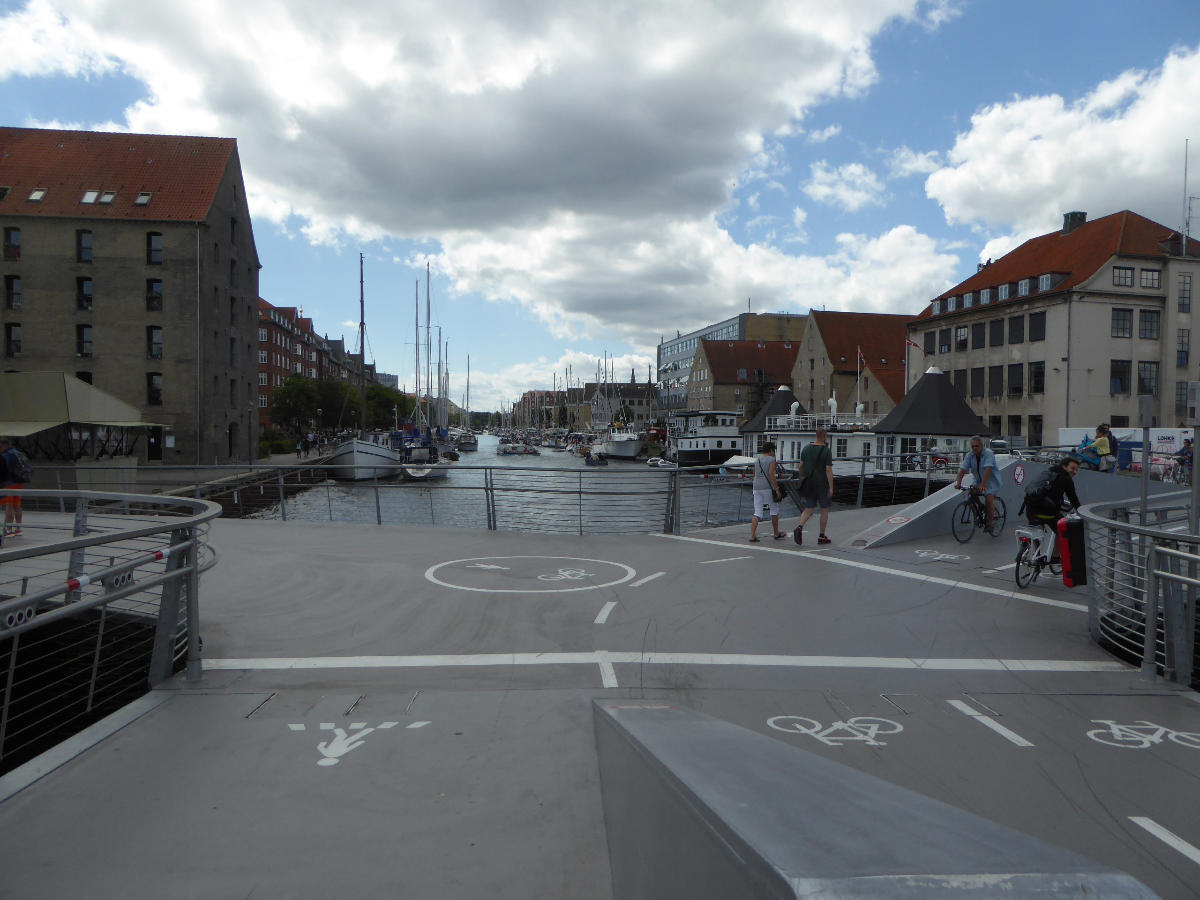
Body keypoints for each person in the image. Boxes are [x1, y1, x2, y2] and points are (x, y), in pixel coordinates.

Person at [955, 434, 1003, 534]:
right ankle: (981, 507)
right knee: (971, 493)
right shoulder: (970, 455)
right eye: (973, 446)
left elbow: (988, 469)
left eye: (976, 446)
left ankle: (989, 524)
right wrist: (958, 483)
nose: (974, 448)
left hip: (991, 481)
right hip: (978, 480)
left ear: (981, 446)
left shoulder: (988, 453)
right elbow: (963, 469)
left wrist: (984, 485)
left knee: (989, 499)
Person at [794, 428, 834, 545]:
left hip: (809, 482)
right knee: (824, 510)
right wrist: (831, 487)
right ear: (824, 436)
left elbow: (800, 466)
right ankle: (821, 536)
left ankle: (800, 527)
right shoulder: (826, 451)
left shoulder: (806, 449)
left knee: (809, 508)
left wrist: (802, 478)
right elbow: (828, 470)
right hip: (822, 484)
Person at [1022, 455, 1082, 530]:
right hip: (1049, 513)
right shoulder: (1066, 479)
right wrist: (1081, 511)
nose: (1075, 472)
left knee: (1035, 533)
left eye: (1076, 470)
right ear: (1064, 467)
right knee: (1064, 532)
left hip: (1031, 511)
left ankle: (1030, 541)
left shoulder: (1047, 473)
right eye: (1072, 468)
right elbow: (1073, 498)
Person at [750, 441, 785, 542]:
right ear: (771, 450)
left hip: (756, 487)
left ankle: (752, 536)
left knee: (757, 512)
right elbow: (771, 474)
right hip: (767, 487)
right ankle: (776, 533)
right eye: (774, 451)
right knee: (774, 509)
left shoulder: (757, 459)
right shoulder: (771, 459)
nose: (774, 453)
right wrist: (777, 489)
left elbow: (754, 472)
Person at [0, 437, 24, 537]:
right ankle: (18, 529)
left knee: (8, 505)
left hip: (9, 482)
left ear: (3, 445)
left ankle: (9, 530)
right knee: (17, 505)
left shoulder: (6, 455)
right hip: (18, 482)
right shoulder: (17, 453)